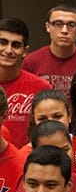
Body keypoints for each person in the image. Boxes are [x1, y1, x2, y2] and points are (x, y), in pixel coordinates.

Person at [23, 4, 76, 100]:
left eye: (71, 25)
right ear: (47, 27)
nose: (64, 30)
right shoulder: (30, 63)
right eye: (58, 24)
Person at [0, 18, 52, 148]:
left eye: (16, 45)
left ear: (25, 51)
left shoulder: (42, 88)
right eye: (3, 42)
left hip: (30, 163)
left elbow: (50, 131)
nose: (9, 50)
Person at [19, 89, 73, 156]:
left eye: (57, 116)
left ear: (69, 116)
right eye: (42, 119)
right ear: (34, 120)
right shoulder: (23, 156)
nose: (50, 122)